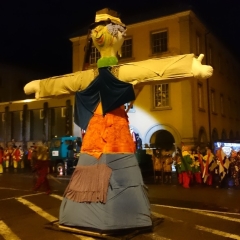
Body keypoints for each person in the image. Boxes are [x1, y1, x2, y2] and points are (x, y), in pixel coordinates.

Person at [23, 8, 213, 232]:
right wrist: (40, 87)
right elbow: (67, 82)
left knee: (114, 167)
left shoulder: (121, 71)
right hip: (96, 132)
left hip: (115, 133)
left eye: (104, 28)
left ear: (119, 34)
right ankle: (88, 212)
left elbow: (151, 69)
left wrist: (189, 67)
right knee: (92, 166)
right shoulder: (93, 75)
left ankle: (118, 213)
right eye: (96, 30)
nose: (99, 33)